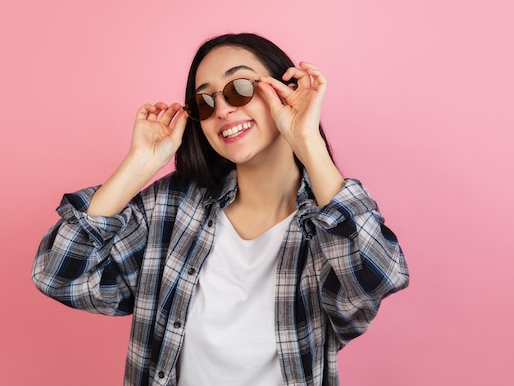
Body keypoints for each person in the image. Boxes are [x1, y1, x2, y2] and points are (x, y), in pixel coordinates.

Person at [32, 32, 409, 386]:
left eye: (240, 88)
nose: (223, 109)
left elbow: (377, 278)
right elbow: (59, 276)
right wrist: (139, 165)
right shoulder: (172, 207)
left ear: (286, 92)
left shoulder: (328, 224)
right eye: (205, 101)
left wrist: (307, 139)